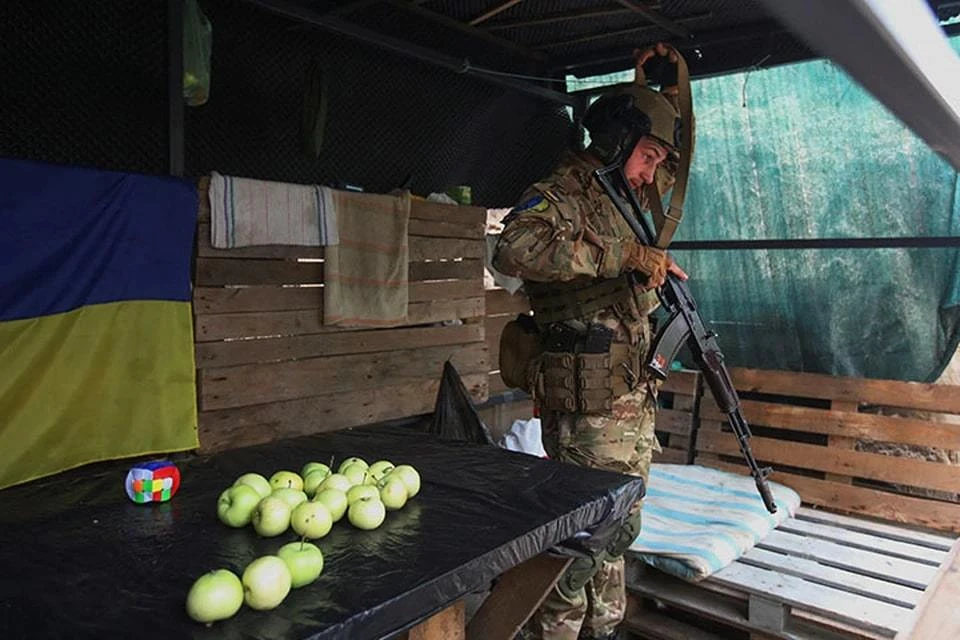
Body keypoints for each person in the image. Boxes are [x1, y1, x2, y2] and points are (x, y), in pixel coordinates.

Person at [492, 43, 691, 640]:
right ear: (618, 139)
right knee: (578, 543)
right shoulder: (564, 192)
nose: (649, 173)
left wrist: (652, 269)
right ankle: (550, 631)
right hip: (585, 403)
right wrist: (621, 255)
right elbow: (513, 248)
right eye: (647, 156)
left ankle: (602, 630)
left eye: (658, 162)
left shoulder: (623, 201)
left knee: (619, 532)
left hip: (629, 397)